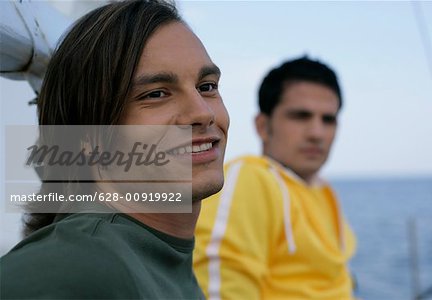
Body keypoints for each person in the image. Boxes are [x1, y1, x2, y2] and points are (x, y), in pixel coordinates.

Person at [1, 0, 229, 299]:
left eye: (207, 86)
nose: (202, 112)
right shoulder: (75, 266)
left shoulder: (155, 256)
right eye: (156, 93)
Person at [194, 56, 356, 299]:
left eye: (328, 119)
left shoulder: (323, 191)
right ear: (262, 126)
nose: (317, 133)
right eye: (300, 116)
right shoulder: (251, 179)